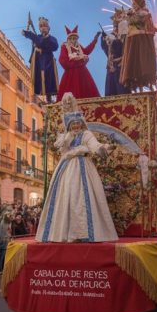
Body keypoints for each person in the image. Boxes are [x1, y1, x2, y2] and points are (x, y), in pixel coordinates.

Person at [35, 93, 118, 243]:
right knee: (68, 195)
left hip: (84, 167)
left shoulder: (86, 134)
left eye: (77, 123)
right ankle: (66, 233)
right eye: (73, 124)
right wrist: (69, 136)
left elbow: (95, 146)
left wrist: (105, 147)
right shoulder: (66, 136)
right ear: (69, 125)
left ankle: (85, 232)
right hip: (67, 168)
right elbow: (61, 147)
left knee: (82, 197)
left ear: (81, 123)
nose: (76, 126)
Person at [120, 0, 157, 91]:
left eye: (134, 4)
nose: (133, 6)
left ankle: (147, 84)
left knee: (142, 63)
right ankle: (137, 85)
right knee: (134, 64)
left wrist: (127, 17)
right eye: (133, 4)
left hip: (140, 41)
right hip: (134, 40)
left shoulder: (143, 13)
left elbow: (135, 20)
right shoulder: (136, 13)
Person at [57, 26, 101, 100]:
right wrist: (78, 62)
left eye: (74, 38)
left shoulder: (79, 47)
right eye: (71, 38)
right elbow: (62, 60)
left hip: (82, 73)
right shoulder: (65, 47)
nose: (73, 40)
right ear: (68, 39)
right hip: (71, 74)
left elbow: (86, 51)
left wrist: (94, 41)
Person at [22, 16, 59, 103]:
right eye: (41, 26)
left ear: (48, 28)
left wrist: (43, 45)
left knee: (48, 78)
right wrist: (26, 33)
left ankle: (49, 98)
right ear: (39, 28)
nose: (43, 28)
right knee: (38, 77)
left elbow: (55, 47)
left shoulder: (52, 38)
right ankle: (38, 95)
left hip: (48, 61)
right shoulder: (37, 37)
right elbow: (32, 36)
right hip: (38, 61)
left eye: (45, 26)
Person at [101, 8, 129, 96]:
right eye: (114, 23)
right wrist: (104, 40)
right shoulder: (111, 35)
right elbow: (106, 49)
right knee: (110, 90)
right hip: (111, 65)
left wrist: (114, 42)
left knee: (122, 90)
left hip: (122, 64)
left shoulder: (125, 35)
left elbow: (124, 48)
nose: (115, 25)